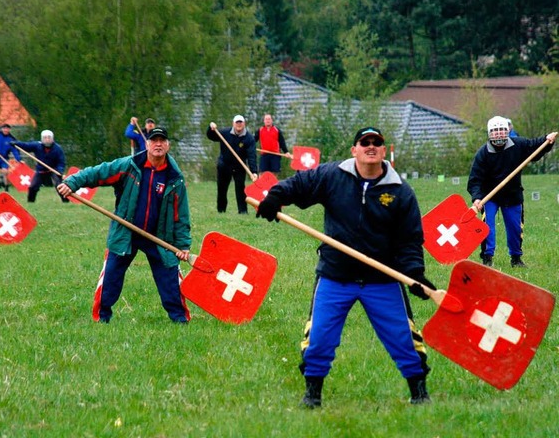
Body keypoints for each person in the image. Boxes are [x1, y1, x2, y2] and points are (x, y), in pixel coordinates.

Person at [256, 126, 436, 407]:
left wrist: (414, 274)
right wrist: (276, 197)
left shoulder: (400, 191)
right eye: (365, 142)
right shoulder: (332, 175)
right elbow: (299, 185)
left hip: (382, 279)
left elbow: (410, 239)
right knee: (319, 338)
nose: (371, 147)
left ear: (383, 150)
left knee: (404, 338)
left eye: (376, 142)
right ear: (354, 150)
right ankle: (312, 395)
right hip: (335, 275)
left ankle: (419, 393)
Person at [57, 127, 192, 324]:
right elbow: (98, 173)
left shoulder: (174, 177)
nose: (158, 144)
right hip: (126, 231)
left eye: (162, 140)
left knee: (170, 278)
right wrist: (73, 182)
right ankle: (102, 317)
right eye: (154, 140)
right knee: (111, 276)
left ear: (168, 145)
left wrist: (183, 245)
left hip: (159, 237)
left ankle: (180, 319)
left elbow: (181, 215)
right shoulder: (129, 166)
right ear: (146, 144)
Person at [467, 116, 556, 268]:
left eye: (502, 130)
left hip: (512, 195)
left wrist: (547, 141)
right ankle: (487, 259)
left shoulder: (518, 144)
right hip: (490, 196)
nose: (499, 134)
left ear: (508, 131)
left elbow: (535, 146)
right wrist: (476, 198)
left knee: (515, 227)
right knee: (486, 227)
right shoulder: (482, 153)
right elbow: (474, 180)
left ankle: (516, 258)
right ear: (490, 133)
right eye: (495, 131)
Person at [206, 115, 257, 214]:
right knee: (222, 189)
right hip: (224, 164)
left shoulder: (249, 138)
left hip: (240, 167)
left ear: (244, 124)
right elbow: (211, 136)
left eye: (241, 122)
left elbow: (252, 156)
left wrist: (254, 171)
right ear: (233, 123)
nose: (239, 124)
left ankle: (243, 211)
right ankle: (221, 210)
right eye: (237, 122)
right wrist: (211, 128)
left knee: (240, 189)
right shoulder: (225, 133)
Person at [12, 130, 68, 203]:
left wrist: (59, 170)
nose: (47, 140)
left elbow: (61, 162)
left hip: (54, 170)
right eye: (45, 138)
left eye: (49, 138)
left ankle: (66, 201)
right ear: (42, 139)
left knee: (60, 186)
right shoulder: (37, 145)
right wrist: (16, 143)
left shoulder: (57, 148)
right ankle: (31, 202)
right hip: (41, 170)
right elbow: (26, 146)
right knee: (32, 187)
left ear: (52, 138)